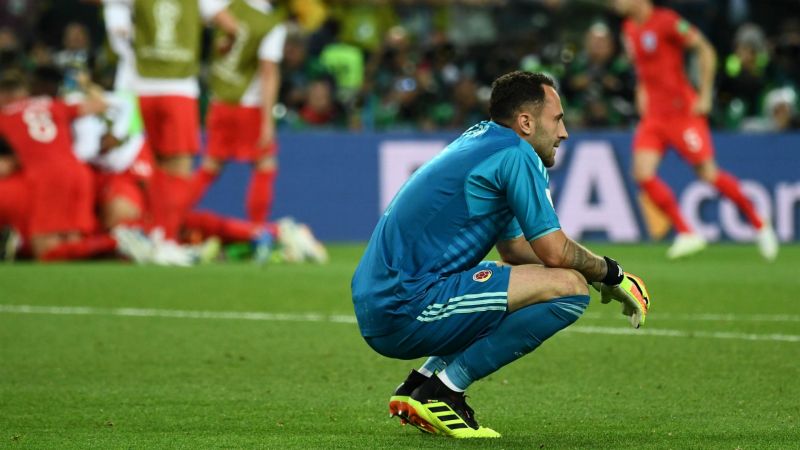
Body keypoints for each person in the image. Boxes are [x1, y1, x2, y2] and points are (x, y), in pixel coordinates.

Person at [351, 71, 650, 439]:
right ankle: (443, 392)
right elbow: (554, 250)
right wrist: (611, 273)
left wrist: (596, 272)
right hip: (404, 305)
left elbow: (514, 248)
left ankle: (420, 384)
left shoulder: (483, 140)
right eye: (557, 119)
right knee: (569, 289)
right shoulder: (517, 154)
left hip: (381, 298)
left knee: (514, 273)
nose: (564, 132)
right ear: (526, 122)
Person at [613, 0, 779, 260]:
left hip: (682, 113)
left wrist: (704, 94)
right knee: (641, 173)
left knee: (708, 174)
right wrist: (641, 94)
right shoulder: (628, 29)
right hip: (654, 117)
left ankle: (760, 223)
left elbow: (705, 50)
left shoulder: (667, 21)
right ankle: (686, 232)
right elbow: (643, 70)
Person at [190, 0, 287, 225]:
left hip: (219, 100)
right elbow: (268, 71)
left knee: (209, 166)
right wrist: (267, 121)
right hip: (249, 104)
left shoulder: (228, 5)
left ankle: (170, 223)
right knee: (265, 163)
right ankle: (258, 228)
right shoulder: (271, 25)